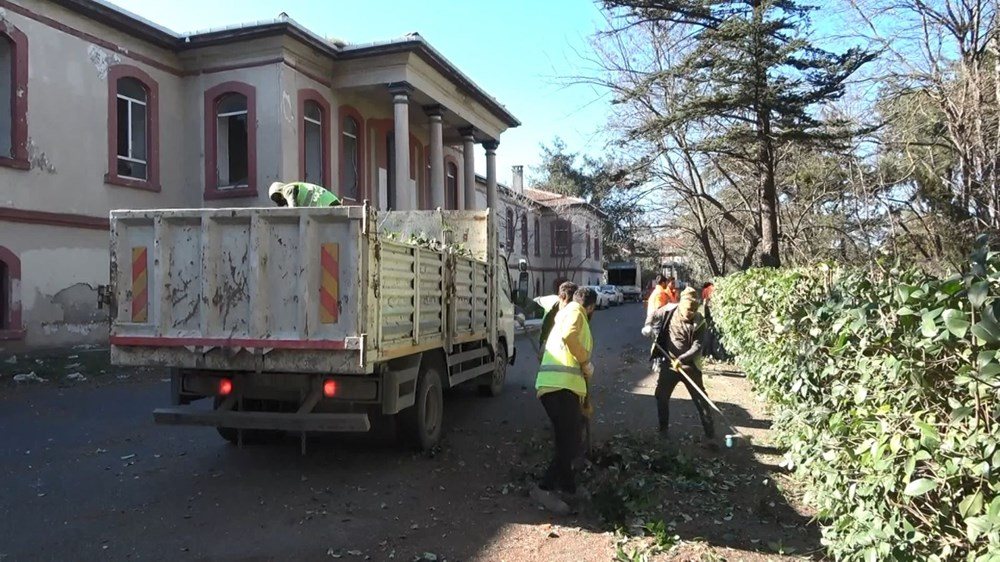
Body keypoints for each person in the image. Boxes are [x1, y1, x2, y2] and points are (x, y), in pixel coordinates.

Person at [531, 286, 598, 514]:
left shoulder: (567, 312)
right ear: (591, 307)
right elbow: (570, 337)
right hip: (560, 387)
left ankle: (569, 487)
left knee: (565, 440)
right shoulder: (576, 313)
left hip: (556, 387)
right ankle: (544, 487)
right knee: (571, 442)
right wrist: (585, 361)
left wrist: (585, 398)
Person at [642, 287, 715, 448]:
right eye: (688, 310)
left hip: (690, 366)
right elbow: (653, 316)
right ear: (681, 304)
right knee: (661, 396)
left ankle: (710, 436)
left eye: (693, 310)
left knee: (701, 400)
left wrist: (681, 359)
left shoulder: (700, 321)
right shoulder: (668, 310)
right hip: (669, 365)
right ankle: (663, 431)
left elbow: (697, 347)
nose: (690, 313)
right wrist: (648, 326)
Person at [537, 282, 578, 361]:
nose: (569, 307)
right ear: (561, 297)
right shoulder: (551, 306)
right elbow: (545, 333)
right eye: (568, 302)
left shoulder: (575, 312)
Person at [268, 181, 342, 208]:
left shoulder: (287, 189)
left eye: (276, 198)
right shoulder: (294, 189)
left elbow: (293, 210)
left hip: (326, 204)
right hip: (330, 202)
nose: (278, 204)